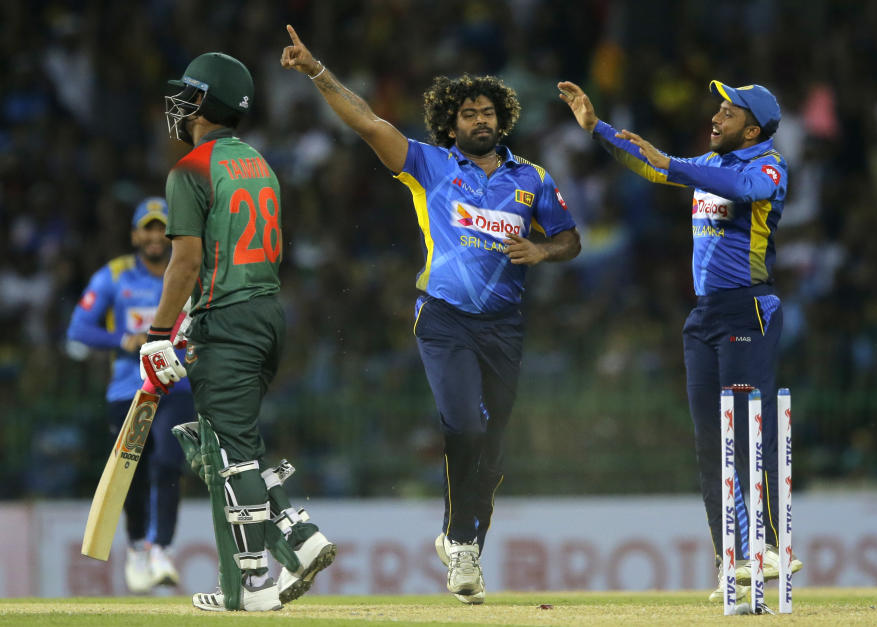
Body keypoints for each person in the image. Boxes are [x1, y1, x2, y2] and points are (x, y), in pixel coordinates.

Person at [281, 25, 581, 604]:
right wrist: (318, 71)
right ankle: (464, 552)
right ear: (452, 124)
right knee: (464, 424)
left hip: (505, 325)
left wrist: (541, 250)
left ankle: (458, 537)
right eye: (469, 113)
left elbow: (570, 240)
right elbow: (369, 122)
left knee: (492, 451)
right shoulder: (430, 165)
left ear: (504, 119)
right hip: (444, 317)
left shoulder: (532, 179)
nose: (481, 120)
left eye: (489, 112)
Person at [558, 79, 803, 601]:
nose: (716, 118)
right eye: (717, 108)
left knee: (744, 430)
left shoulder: (769, 167)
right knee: (711, 442)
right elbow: (650, 164)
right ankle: (730, 560)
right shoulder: (709, 165)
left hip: (749, 309)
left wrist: (669, 163)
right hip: (704, 316)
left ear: (752, 129)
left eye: (728, 113)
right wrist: (596, 128)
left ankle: (776, 546)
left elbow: (740, 190)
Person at [140, 51, 336, 612]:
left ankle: (255, 583)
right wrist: (188, 319)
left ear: (203, 102)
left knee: (232, 458)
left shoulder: (190, 170)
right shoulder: (259, 162)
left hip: (227, 322)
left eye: (187, 94)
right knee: (229, 448)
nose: (178, 104)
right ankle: (291, 545)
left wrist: (158, 334)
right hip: (267, 314)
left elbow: (185, 262)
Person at [68, 198, 192, 594]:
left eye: (162, 228)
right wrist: (123, 340)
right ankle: (138, 547)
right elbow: (79, 328)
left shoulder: (187, 270)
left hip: (177, 385)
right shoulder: (115, 276)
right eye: (148, 228)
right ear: (136, 234)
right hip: (129, 389)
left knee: (170, 463)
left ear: (172, 234)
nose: (156, 236)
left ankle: (162, 549)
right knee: (132, 472)